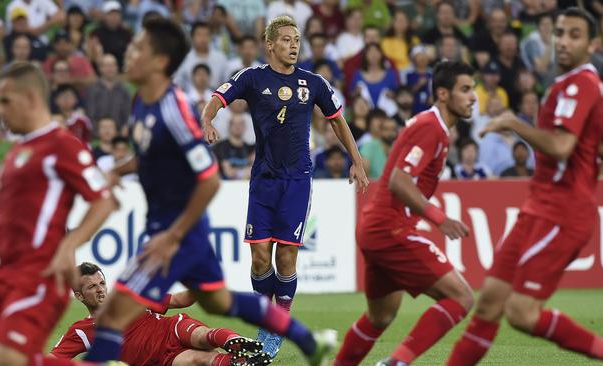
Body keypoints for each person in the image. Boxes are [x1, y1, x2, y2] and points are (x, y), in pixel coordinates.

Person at [83, 18, 337, 366]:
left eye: (138, 48)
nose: (129, 54)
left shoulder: (171, 109)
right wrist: (117, 170)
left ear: (158, 61)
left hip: (174, 234)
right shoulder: (143, 104)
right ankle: (310, 342)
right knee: (219, 302)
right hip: (175, 232)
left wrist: (174, 233)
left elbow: (209, 179)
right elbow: (149, 157)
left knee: (115, 312)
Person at [202, 14, 369, 359]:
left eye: (297, 40)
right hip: (263, 179)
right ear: (270, 45)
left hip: (297, 181)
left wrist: (356, 159)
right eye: (287, 40)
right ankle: (267, 316)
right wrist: (207, 119)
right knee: (260, 256)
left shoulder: (314, 83)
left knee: (287, 255)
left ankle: (276, 323)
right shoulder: (252, 77)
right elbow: (219, 98)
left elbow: (337, 122)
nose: (294, 45)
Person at [446, 8, 603, 365]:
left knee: (521, 312)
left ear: (592, 44)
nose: (563, 41)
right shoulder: (568, 85)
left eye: (574, 35)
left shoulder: (582, 82)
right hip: (539, 207)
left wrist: (514, 122)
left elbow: (562, 146)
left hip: (562, 212)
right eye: (560, 32)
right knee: (488, 303)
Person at [0, 62, 117, 366]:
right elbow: (0, 199)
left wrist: (69, 245)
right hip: (5, 271)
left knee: (7, 358)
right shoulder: (17, 151)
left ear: (29, 98)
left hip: (41, 275)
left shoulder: (63, 144)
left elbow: (104, 201)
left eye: (5, 101)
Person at [334, 61, 476, 366]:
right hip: (390, 229)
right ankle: (397, 363)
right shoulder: (431, 127)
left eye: (473, 89)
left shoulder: (433, 127)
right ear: (442, 93)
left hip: (375, 228)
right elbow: (400, 180)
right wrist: (440, 218)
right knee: (462, 298)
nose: (473, 97)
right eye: (465, 89)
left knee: (380, 316)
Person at [52, 262, 269, 366]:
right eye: (92, 287)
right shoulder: (82, 331)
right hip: (161, 359)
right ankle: (243, 363)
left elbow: (178, 300)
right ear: (79, 296)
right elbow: (52, 359)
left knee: (202, 336)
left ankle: (239, 342)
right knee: (199, 359)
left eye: (102, 283)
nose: (100, 289)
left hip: (172, 329)